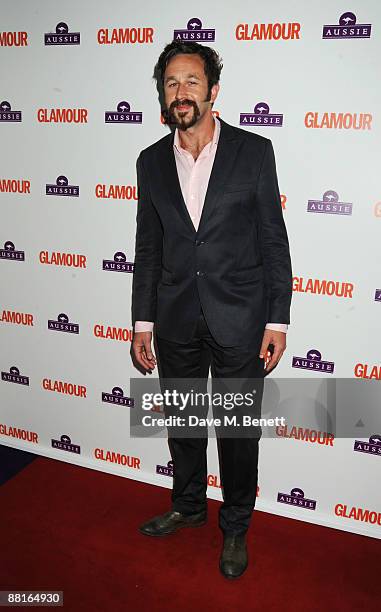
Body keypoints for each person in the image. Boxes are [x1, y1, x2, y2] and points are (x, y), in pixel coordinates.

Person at [131, 40, 292, 579]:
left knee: (238, 430)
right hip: (175, 315)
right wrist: (142, 322)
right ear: (163, 95)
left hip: (241, 316)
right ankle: (189, 506)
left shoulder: (254, 151)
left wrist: (277, 319)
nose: (181, 92)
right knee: (183, 422)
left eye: (192, 82)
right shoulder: (150, 161)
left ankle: (237, 527)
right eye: (172, 83)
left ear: (213, 90)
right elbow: (148, 246)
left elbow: (274, 240)